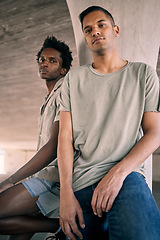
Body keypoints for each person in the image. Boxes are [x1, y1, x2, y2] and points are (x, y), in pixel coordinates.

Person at [57, 6, 160, 240]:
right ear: (85, 38)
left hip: (127, 177)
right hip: (81, 183)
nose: (95, 31)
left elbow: (155, 133)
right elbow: (65, 138)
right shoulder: (73, 79)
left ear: (115, 30)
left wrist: (117, 174)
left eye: (101, 25)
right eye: (88, 29)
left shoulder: (143, 74)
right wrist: (66, 194)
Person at [0, 36, 72, 240]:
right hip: (43, 176)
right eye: (41, 59)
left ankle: (56, 226)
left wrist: (12, 179)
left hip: (51, 178)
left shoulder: (63, 92)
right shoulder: (48, 99)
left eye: (52, 60)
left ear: (63, 69)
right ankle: (56, 226)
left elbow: (53, 147)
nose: (44, 63)